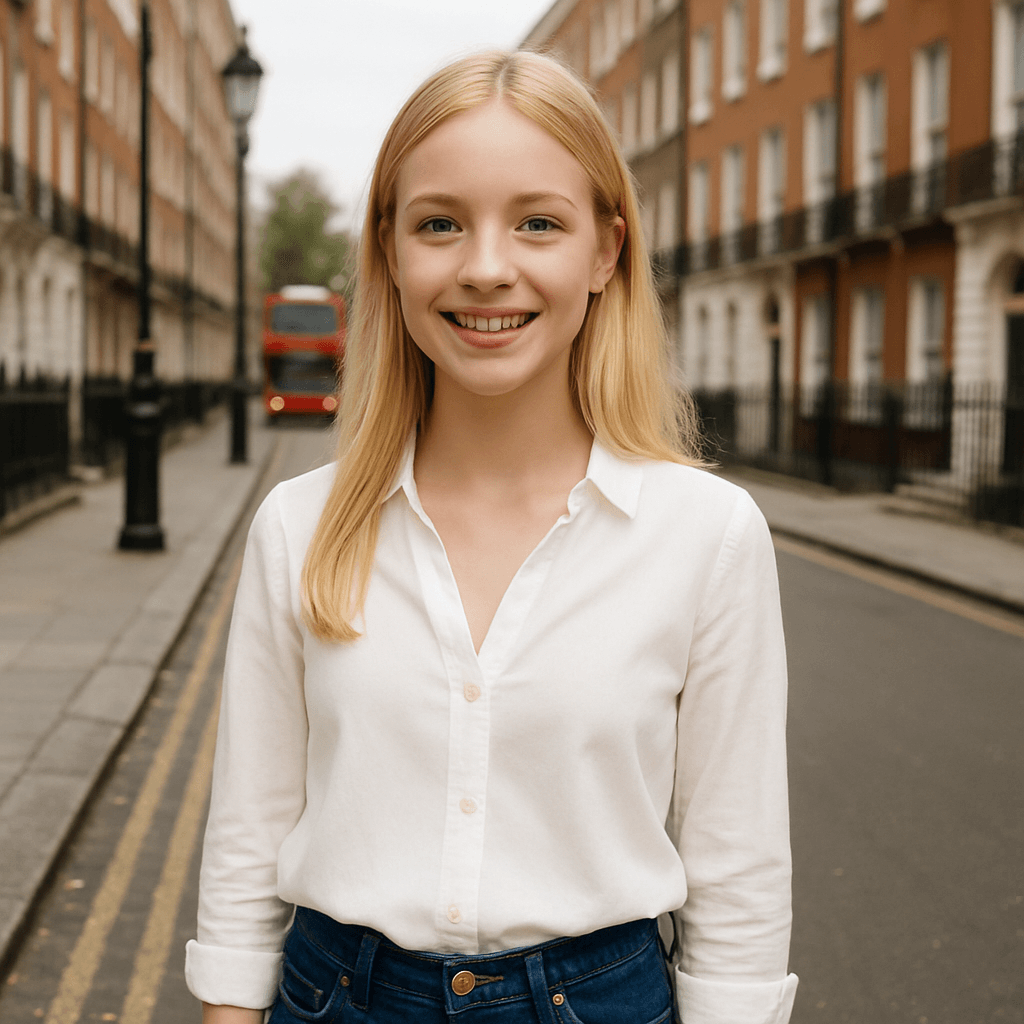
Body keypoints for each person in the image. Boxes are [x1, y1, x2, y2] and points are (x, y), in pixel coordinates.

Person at [185, 50, 798, 1024]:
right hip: (334, 996)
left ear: (604, 252)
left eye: (537, 222)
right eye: (439, 223)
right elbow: (250, 828)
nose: (483, 266)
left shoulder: (708, 535)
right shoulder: (296, 524)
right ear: (388, 250)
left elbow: (739, 867)